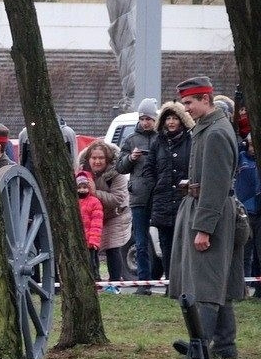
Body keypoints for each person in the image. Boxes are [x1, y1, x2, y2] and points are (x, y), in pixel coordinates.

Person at [170, 76, 243, 359]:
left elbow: (215, 186)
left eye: (189, 102)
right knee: (217, 279)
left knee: (206, 284)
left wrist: (204, 228)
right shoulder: (209, 128)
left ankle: (199, 346)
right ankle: (225, 345)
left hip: (212, 212)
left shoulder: (215, 134)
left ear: (205, 99)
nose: (186, 108)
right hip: (207, 208)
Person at [141, 101, 193, 284]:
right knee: (165, 243)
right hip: (162, 200)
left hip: (183, 199)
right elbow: (148, 168)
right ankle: (171, 283)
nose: (171, 122)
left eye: (175, 118)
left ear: (182, 120)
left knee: (184, 243)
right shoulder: (158, 142)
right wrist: (156, 185)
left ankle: (184, 282)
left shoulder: (190, 141)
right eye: (168, 118)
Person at [116, 98, 158, 295]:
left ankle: (170, 281)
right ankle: (143, 283)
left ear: (155, 119)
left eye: (148, 118)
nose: (145, 122)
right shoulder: (131, 140)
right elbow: (120, 167)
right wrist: (130, 158)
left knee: (164, 239)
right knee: (140, 242)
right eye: (142, 118)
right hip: (139, 196)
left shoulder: (161, 138)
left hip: (158, 196)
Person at [78, 140, 130, 287]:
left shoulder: (117, 173)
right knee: (90, 246)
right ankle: (94, 280)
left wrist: (95, 192)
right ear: (88, 159)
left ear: (107, 159)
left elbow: (117, 199)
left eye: (101, 158)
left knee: (112, 246)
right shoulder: (82, 173)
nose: (97, 161)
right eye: (94, 158)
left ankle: (114, 283)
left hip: (115, 214)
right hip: (91, 215)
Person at [234, 133, 261, 298]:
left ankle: (258, 288)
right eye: (250, 145)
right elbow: (233, 149)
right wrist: (242, 144)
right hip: (246, 211)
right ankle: (241, 287)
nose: (252, 149)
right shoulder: (241, 158)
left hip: (259, 212)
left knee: (258, 252)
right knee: (245, 252)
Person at [76, 170, 103, 279]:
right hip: (78, 241)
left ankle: (96, 279)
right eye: (79, 187)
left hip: (90, 241)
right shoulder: (75, 202)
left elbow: (96, 223)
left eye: (84, 187)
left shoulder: (94, 202)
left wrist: (94, 241)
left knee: (93, 264)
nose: (82, 190)